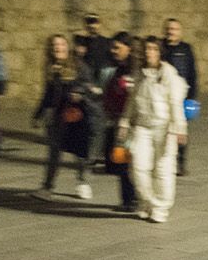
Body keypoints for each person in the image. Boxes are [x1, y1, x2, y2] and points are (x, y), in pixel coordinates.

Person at [119, 37, 188, 223]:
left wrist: (180, 127)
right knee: (138, 166)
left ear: (159, 52)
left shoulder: (168, 74)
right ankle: (147, 201)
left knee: (163, 168)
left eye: (154, 49)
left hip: (164, 127)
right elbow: (131, 100)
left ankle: (160, 207)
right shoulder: (139, 74)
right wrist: (124, 122)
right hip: (142, 126)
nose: (150, 52)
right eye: (147, 49)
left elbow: (175, 103)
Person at [32, 34, 100, 201]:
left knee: (79, 151)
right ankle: (47, 187)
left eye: (62, 44)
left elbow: (88, 84)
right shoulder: (51, 68)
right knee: (54, 152)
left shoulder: (78, 65)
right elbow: (48, 94)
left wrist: (78, 92)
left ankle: (83, 182)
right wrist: (38, 114)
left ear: (67, 47)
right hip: (57, 117)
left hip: (76, 115)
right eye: (55, 45)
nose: (58, 48)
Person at [101, 35, 139, 213]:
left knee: (132, 163)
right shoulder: (117, 70)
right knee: (121, 161)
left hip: (133, 124)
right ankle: (127, 199)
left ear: (128, 48)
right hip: (118, 123)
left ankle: (136, 198)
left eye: (118, 47)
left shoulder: (136, 71)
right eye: (113, 48)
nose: (114, 51)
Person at [162, 18, 198, 175]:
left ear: (180, 32)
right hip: (164, 97)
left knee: (181, 130)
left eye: (175, 29)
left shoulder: (186, 49)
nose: (171, 31)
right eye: (169, 28)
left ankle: (181, 163)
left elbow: (192, 74)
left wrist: (192, 97)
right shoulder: (161, 48)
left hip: (182, 97)